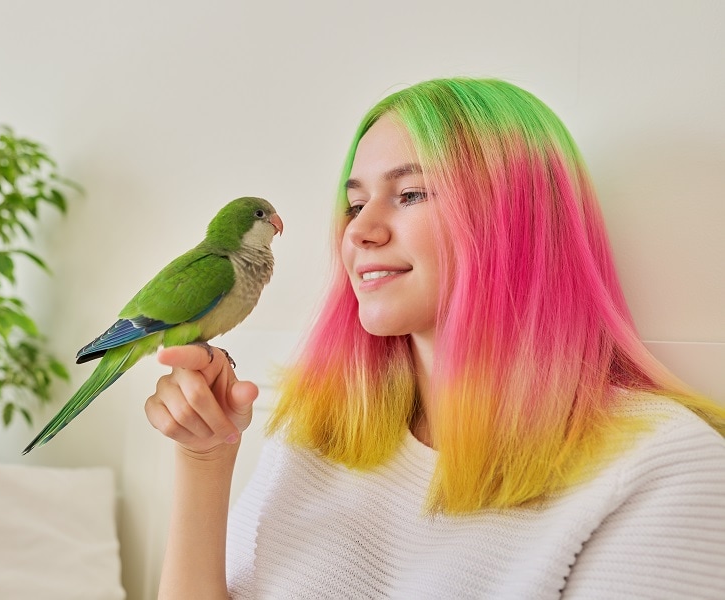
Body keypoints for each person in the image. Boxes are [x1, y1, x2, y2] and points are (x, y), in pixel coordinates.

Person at [145, 78, 725, 598]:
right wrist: (204, 459)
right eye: (354, 204)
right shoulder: (319, 425)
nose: (360, 231)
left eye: (412, 194)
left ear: (513, 217)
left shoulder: (665, 470)